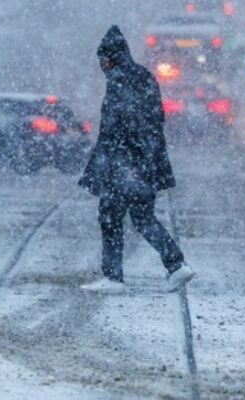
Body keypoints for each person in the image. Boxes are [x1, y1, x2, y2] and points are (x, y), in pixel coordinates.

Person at [79, 25, 195, 293]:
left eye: (103, 60)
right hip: (146, 162)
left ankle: (113, 277)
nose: (102, 65)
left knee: (109, 216)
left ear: (113, 57)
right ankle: (177, 265)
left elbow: (115, 127)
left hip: (124, 165)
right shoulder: (144, 76)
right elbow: (157, 118)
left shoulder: (119, 80)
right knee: (143, 217)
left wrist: (113, 161)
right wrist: (148, 157)